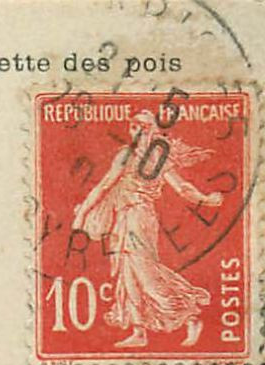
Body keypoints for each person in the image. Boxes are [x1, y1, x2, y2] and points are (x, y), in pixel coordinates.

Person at [71, 110, 225, 349]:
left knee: (145, 272)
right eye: (133, 127)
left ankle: (189, 316)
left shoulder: (152, 157)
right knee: (127, 272)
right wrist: (82, 215)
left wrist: (205, 199)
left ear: (150, 131)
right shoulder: (130, 155)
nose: (136, 131)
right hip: (125, 216)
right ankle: (139, 331)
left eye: (141, 127)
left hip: (139, 216)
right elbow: (105, 185)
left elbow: (181, 187)